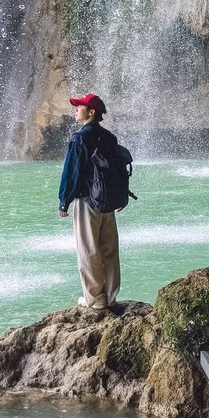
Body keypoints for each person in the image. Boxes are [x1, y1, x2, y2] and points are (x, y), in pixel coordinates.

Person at [58, 93, 121, 310]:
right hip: (108, 201)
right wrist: (121, 197)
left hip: (87, 201)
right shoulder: (110, 137)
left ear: (91, 112)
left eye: (80, 106)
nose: (76, 110)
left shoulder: (79, 138)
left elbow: (71, 172)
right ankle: (111, 295)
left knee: (88, 249)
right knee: (109, 248)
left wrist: (64, 200)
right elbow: (118, 170)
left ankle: (95, 299)